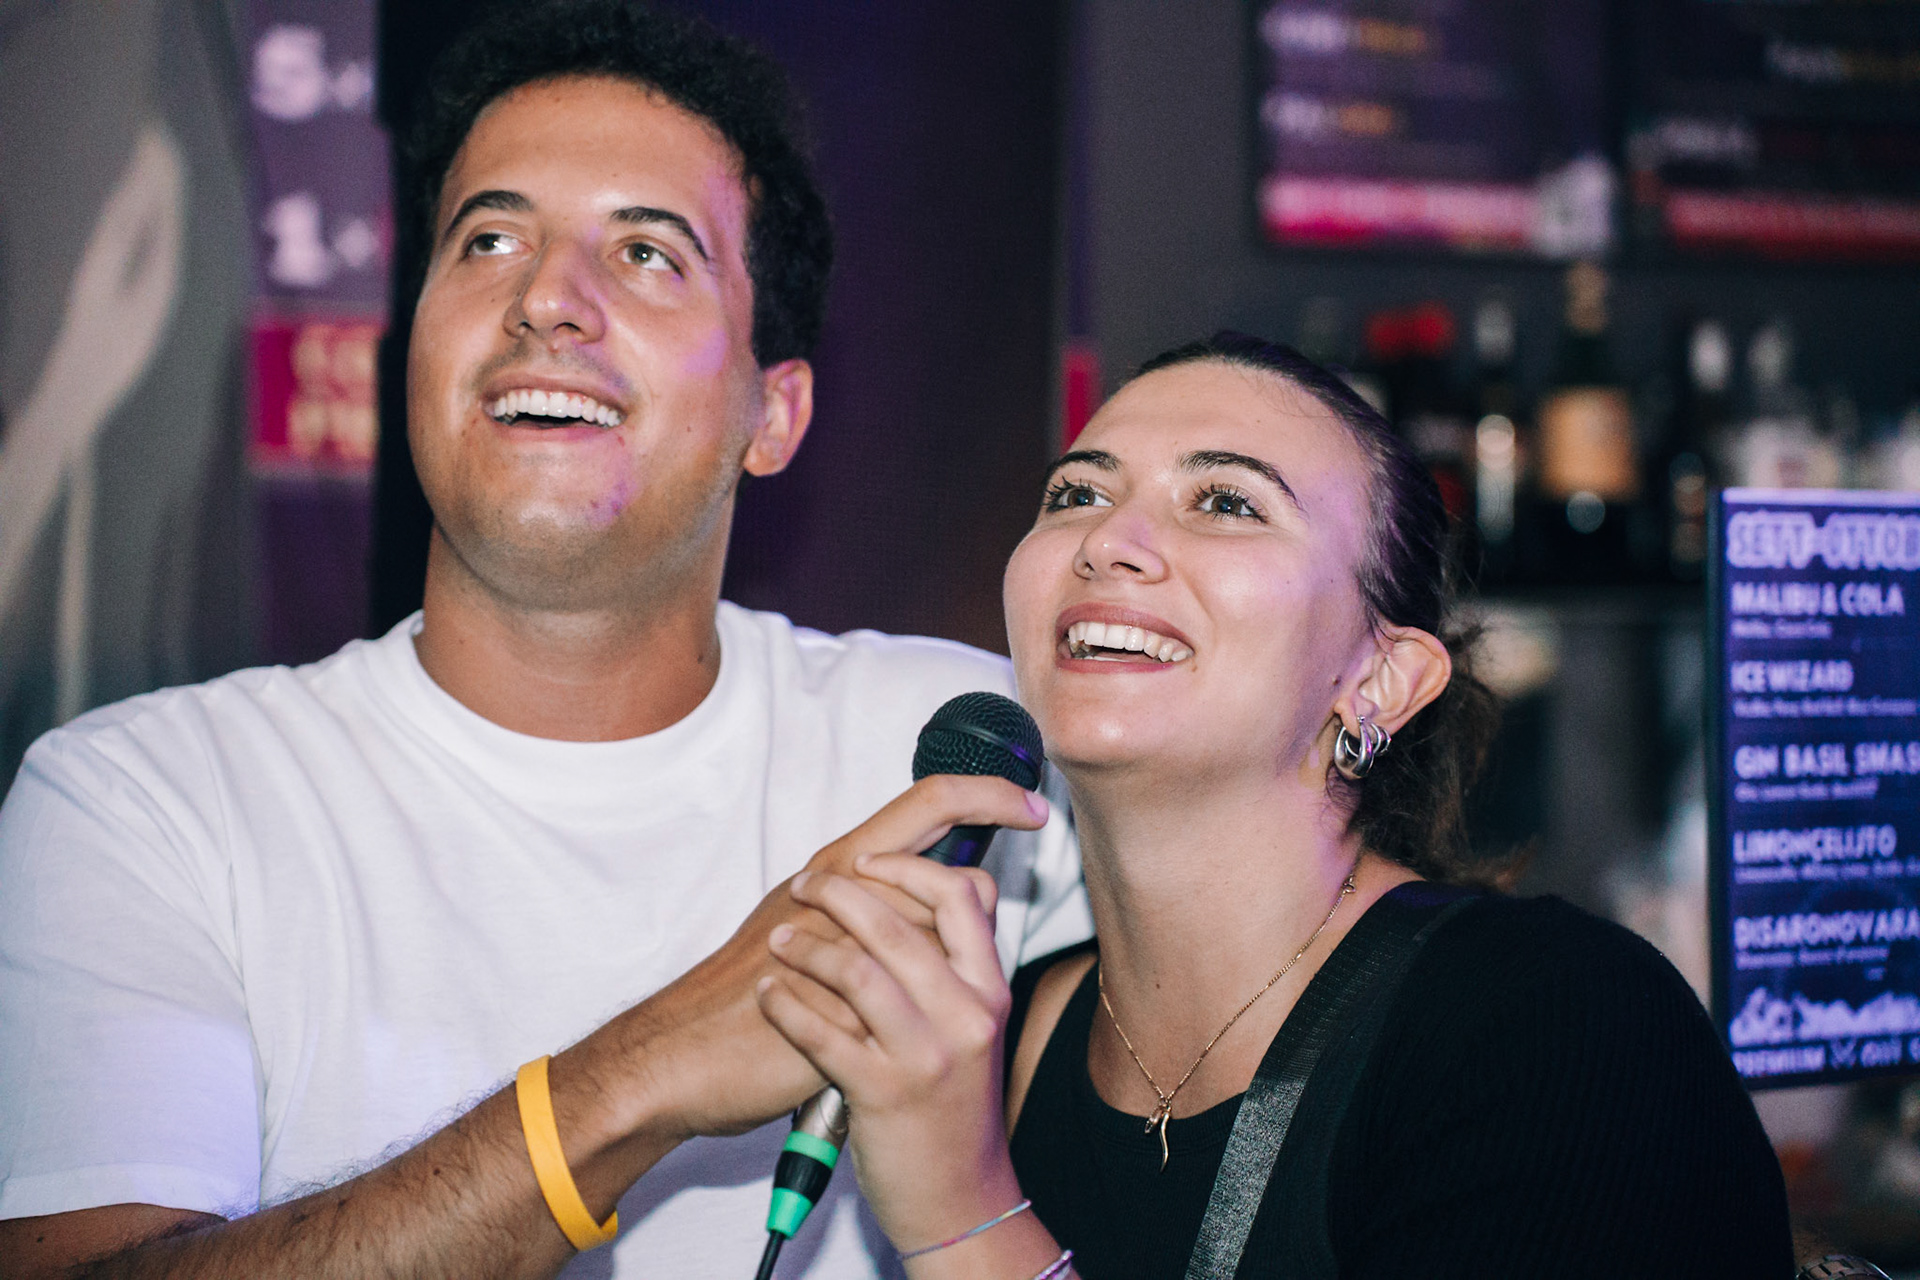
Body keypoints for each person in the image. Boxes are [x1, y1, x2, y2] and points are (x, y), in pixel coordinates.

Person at [0, 5, 1086, 1278]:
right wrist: (639, 1074)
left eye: (646, 252)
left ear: (772, 413)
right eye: (490, 240)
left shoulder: (965, 754)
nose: (547, 301)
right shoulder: (146, 800)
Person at [753, 333, 1794, 1278]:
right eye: (1075, 492)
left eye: (1226, 502)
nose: (1108, 540)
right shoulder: (986, 1046)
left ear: (1379, 680)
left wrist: (963, 1218)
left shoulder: (1560, 1027)